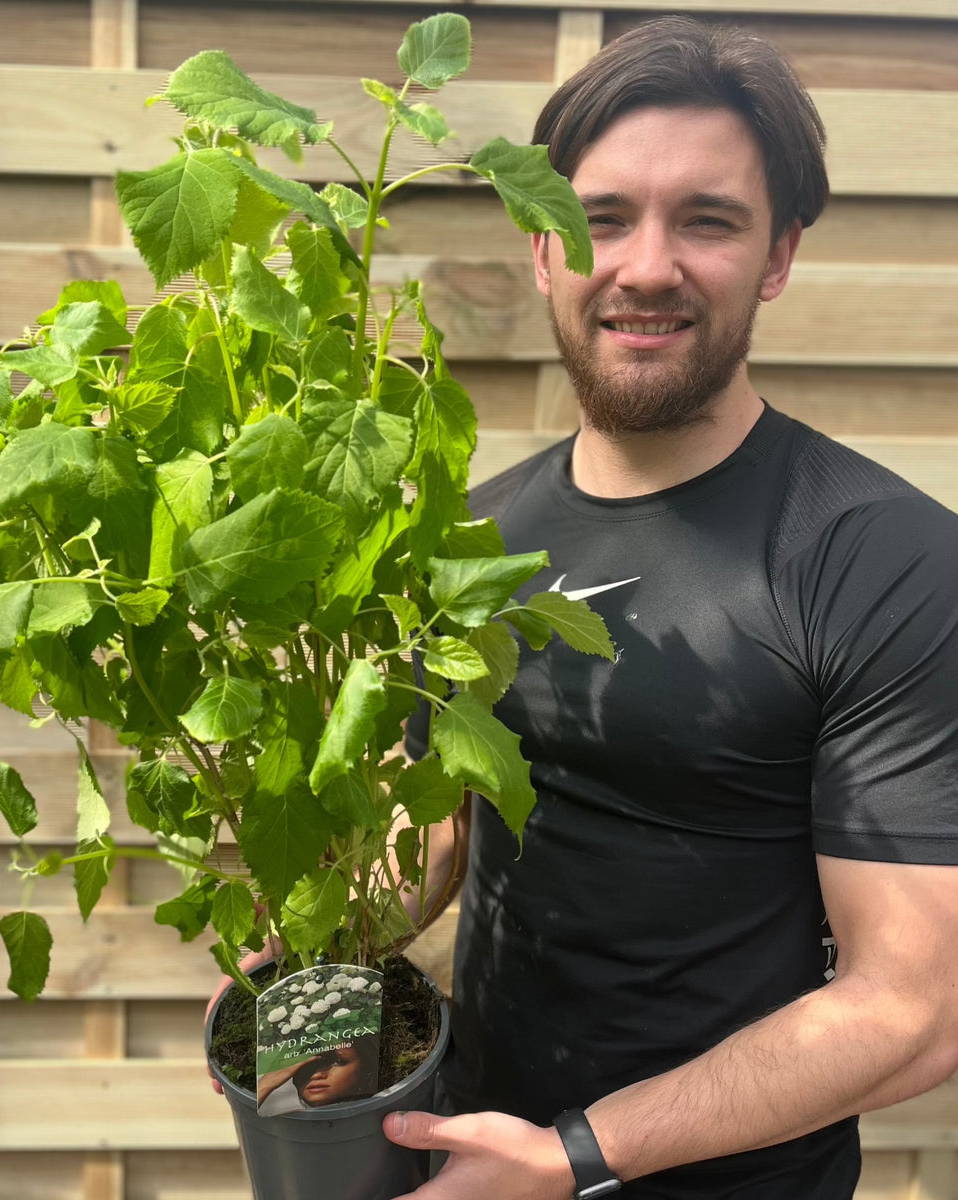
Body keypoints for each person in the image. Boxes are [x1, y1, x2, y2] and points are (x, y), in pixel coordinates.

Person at [378, 16, 958, 1200]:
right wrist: (312, 949)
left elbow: (917, 1009)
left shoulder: (880, 558)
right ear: (542, 248)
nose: (646, 265)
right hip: (458, 1157)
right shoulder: (468, 539)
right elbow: (440, 830)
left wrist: (572, 1160)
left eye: (707, 219)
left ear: (779, 256)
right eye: (600, 218)